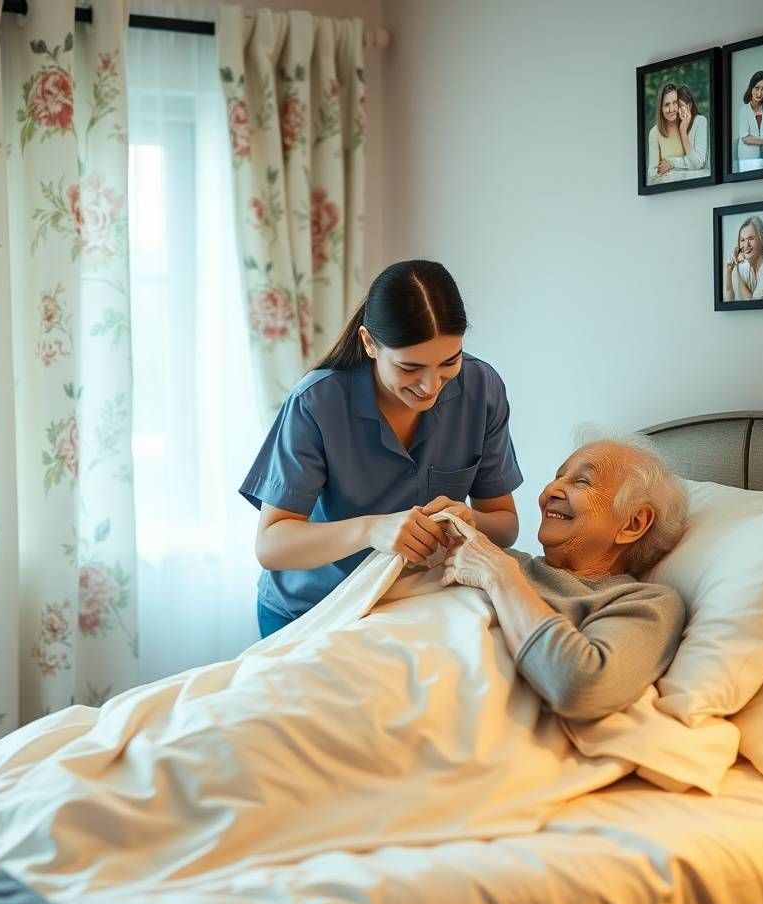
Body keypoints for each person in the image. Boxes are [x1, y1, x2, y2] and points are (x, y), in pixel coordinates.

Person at [240, 259, 523, 638]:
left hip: (409, 610)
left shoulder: (481, 389)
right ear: (369, 344)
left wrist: (469, 521)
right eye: (409, 368)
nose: (430, 385)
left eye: (449, 362)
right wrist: (371, 530)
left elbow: (505, 526)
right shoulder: (318, 403)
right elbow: (271, 545)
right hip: (312, 611)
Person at [439, 434, 688, 720]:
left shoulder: (645, 603)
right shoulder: (494, 555)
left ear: (633, 524)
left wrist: (498, 575)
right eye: (558, 477)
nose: (551, 490)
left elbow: (583, 686)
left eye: (582, 482)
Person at [723, 215, 763, 302]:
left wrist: (736, 272)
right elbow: (729, 301)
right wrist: (729, 271)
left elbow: (754, 305)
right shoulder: (748, 268)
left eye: (751, 239)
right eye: (742, 240)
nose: (746, 245)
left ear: (761, 239)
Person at [646, 83, 685, 184]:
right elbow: (652, 172)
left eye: (675, 103)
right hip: (669, 185)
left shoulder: (686, 122)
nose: (672, 109)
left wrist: (671, 164)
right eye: (667, 105)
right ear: (660, 107)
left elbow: (697, 160)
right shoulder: (654, 133)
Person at [667, 84, 709, 177]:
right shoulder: (672, 125)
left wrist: (683, 131)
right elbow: (666, 160)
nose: (677, 111)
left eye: (680, 106)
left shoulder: (700, 121)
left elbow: (698, 163)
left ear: (689, 105)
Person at [736, 70, 763, 170]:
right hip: (747, 159)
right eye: (756, 88)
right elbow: (746, 138)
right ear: (751, 88)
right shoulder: (744, 110)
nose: (759, 93)